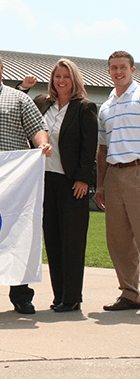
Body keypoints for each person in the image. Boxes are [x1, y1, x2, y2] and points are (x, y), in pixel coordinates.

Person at [0, 51, 51, 314]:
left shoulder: (20, 99)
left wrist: (42, 144)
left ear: (2, 69)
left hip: (16, 183)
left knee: (19, 237)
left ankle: (21, 295)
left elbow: (37, 128)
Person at [33, 59, 97, 312]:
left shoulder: (84, 107)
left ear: (74, 80)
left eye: (66, 76)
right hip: (46, 181)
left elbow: (88, 145)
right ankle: (59, 295)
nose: (61, 81)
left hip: (72, 183)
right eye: (57, 76)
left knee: (72, 242)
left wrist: (83, 178)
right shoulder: (43, 104)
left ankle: (72, 298)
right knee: (53, 240)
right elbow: (20, 105)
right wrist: (23, 85)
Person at [95, 51, 140, 311]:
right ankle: (130, 293)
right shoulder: (106, 106)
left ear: (132, 70)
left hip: (137, 170)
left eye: (123, 67)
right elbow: (103, 148)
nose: (118, 71)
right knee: (119, 240)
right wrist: (100, 184)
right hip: (114, 174)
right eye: (113, 68)